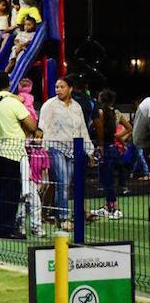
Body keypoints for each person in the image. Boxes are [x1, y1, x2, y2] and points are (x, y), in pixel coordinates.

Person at [0, 71, 38, 238]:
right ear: (9, 84)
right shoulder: (12, 102)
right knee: (12, 192)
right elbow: (32, 125)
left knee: (2, 191)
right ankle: (6, 229)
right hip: (14, 152)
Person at [39, 75, 93, 230]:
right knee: (62, 181)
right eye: (56, 87)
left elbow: (82, 129)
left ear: (70, 89)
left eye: (62, 87)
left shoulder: (76, 107)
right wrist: (45, 149)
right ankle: (63, 218)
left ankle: (58, 214)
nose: (58, 90)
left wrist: (89, 150)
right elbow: (43, 127)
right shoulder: (50, 105)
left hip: (73, 150)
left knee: (66, 183)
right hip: (55, 147)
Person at [90, 90, 128, 220]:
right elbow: (129, 128)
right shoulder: (115, 113)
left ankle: (115, 208)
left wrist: (101, 145)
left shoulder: (101, 113)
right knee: (108, 179)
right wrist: (119, 137)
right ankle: (108, 207)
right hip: (113, 148)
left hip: (106, 148)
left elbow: (100, 130)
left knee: (108, 179)